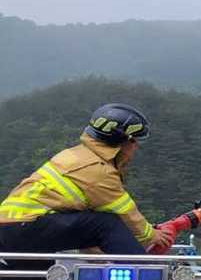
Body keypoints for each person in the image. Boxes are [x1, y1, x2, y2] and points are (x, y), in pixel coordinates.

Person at [0, 104, 176, 256]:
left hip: (13, 228)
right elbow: (124, 212)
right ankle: (146, 274)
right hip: (27, 226)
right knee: (106, 223)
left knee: (34, 279)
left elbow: (81, 220)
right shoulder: (98, 170)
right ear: (123, 141)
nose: (136, 146)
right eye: (134, 141)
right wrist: (152, 235)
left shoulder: (77, 154)